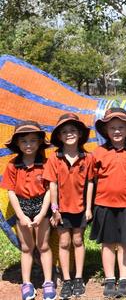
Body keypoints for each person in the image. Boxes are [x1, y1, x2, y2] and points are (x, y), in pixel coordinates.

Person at [90, 108, 126, 297]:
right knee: (107, 243)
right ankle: (109, 278)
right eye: (112, 127)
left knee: (124, 243)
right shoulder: (98, 152)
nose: (116, 131)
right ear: (106, 130)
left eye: (121, 127)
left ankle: (123, 278)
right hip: (104, 204)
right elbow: (94, 177)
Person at [1, 121, 56, 300]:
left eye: (33, 140)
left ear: (40, 142)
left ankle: (48, 282)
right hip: (22, 207)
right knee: (27, 248)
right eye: (24, 141)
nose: (29, 145)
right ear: (17, 144)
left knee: (44, 246)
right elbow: (11, 192)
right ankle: (27, 283)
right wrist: (21, 215)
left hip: (42, 206)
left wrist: (41, 214)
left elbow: (49, 189)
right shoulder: (12, 166)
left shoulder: (46, 163)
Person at [44, 114, 94, 299]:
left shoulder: (87, 157)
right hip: (61, 210)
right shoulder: (54, 158)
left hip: (81, 208)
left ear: (80, 133)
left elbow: (90, 183)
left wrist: (89, 208)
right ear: (59, 136)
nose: (69, 134)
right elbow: (52, 185)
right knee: (64, 242)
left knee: (78, 241)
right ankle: (66, 279)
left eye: (73, 130)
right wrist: (55, 209)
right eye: (64, 131)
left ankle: (78, 277)